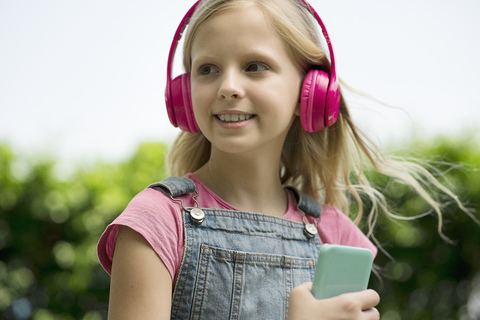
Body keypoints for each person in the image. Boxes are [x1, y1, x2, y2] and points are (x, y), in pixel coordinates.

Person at [97, 0, 462, 318]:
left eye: (255, 66)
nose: (228, 87)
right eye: (207, 69)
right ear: (183, 94)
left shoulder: (334, 235)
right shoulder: (157, 222)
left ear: (310, 94)